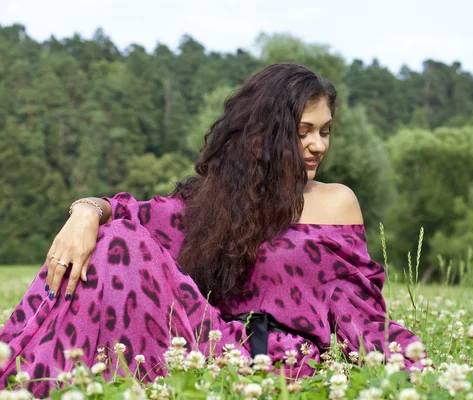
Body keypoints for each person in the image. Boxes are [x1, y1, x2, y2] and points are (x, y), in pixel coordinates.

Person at [0, 63, 425, 397]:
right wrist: (85, 213)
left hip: (280, 364)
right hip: (209, 348)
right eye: (303, 132)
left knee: (119, 238)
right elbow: (132, 212)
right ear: (264, 135)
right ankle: (32, 374)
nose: (319, 145)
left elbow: (359, 310)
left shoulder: (336, 201)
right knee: (116, 240)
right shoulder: (216, 202)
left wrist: (410, 366)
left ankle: (29, 375)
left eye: (325, 131)